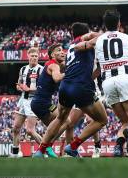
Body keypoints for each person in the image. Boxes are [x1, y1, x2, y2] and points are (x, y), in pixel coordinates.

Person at [33, 22, 107, 158]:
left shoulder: (71, 47)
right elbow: (91, 37)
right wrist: (107, 35)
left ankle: (41, 150)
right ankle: (73, 146)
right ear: (85, 34)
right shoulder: (84, 41)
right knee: (102, 120)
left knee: (61, 118)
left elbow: (89, 73)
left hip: (65, 87)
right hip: (81, 87)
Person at [95, 10, 128, 157]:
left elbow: (97, 66)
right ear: (119, 23)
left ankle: (117, 147)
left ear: (104, 25)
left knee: (125, 121)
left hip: (107, 82)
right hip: (124, 76)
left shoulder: (98, 40)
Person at [30, 43, 65, 158]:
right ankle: (47, 146)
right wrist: (71, 72)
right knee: (67, 121)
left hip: (37, 103)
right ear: (52, 54)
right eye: (59, 50)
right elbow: (57, 78)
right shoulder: (53, 66)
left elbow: (64, 65)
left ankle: (42, 150)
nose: (62, 52)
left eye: (62, 50)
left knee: (53, 128)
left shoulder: (50, 64)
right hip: (43, 103)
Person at [11, 47, 43, 157]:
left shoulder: (41, 69)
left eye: (36, 56)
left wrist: (29, 89)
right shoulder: (23, 69)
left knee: (30, 131)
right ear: (28, 56)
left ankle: (47, 150)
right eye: (32, 55)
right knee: (15, 128)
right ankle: (15, 153)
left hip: (33, 102)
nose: (34, 57)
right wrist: (19, 87)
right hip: (22, 100)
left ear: (38, 57)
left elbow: (43, 87)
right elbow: (19, 83)